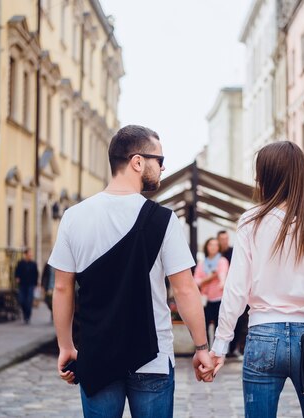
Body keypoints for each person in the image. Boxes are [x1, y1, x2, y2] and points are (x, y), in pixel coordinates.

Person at [49, 125, 214, 418]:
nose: (163, 168)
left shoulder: (74, 217)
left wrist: (66, 346)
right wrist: (202, 347)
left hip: (97, 353)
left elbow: (62, 288)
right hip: (151, 357)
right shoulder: (163, 220)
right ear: (137, 162)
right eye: (159, 160)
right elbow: (186, 289)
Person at [210, 141, 304, 417]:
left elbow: (236, 290)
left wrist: (220, 345)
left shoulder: (251, 222)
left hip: (263, 335)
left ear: (268, 177)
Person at [218, 230, 248, 358]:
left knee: (240, 321)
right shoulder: (216, 254)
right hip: (218, 293)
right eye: (222, 238)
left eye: (226, 238)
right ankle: (221, 348)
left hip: (237, 289)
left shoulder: (232, 251)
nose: (225, 240)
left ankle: (235, 348)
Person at [194, 238, 229, 345]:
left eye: (215, 245)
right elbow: (196, 281)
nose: (213, 247)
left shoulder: (222, 261)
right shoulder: (202, 263)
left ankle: (217, 349)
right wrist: (209, 278)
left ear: (218, 247)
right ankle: (205, 348)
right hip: (205, 300)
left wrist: (221, 281)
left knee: (219, 326)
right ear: (206, 247)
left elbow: (223, 275)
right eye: (210, 244)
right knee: (204, 325)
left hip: (219, 299)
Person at [15, 248, 39, 324]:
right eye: (29, 254)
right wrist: (17, 278)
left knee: (29, 301)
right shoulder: (20, 263)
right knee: (21, 300)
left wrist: (36, 284)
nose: (30, 255)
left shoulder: (33, 264)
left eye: (31, 254)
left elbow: (36, 274)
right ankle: (25, 314)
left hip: (31, 285)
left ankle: (27, 317)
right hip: (22, 285)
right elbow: (17, 272)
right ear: (25, 255)